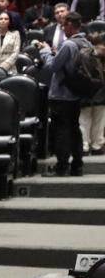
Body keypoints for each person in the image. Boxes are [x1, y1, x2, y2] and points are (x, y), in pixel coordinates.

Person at [38, 11, 89, 176]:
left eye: (64, 25)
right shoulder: (86, 43)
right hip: (76, 93)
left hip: (61, 94)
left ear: (69, 25)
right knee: (74, 129)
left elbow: (52, 67)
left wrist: (45, 51)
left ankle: (61, 167)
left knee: (61, 131)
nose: (62, 29)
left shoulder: (68, 45)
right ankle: (77, 165)